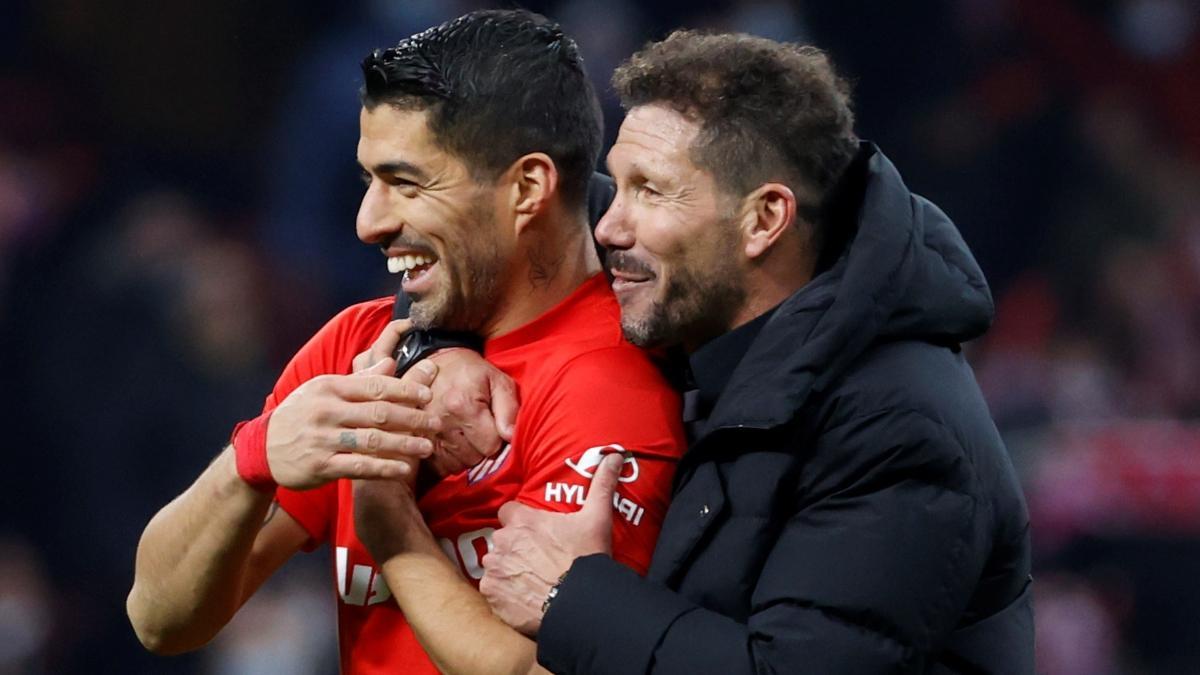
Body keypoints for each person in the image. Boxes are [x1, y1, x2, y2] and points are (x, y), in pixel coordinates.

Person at [126, 10, 684, 675]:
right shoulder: (365, 347)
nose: (369, 223)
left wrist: (393, 532)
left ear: (527, 187)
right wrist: (254, 456)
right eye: (368, 181)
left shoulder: (613, 380)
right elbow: (160, 618)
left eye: (407, 183)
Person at [479, 31, 1035, 674]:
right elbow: (484, 226)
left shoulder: (898, 427)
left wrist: (569, 597)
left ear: (765, 219)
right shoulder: (694, 304)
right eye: (619, 185)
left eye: (650, 191)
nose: (609, 227)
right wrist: (443, 346)